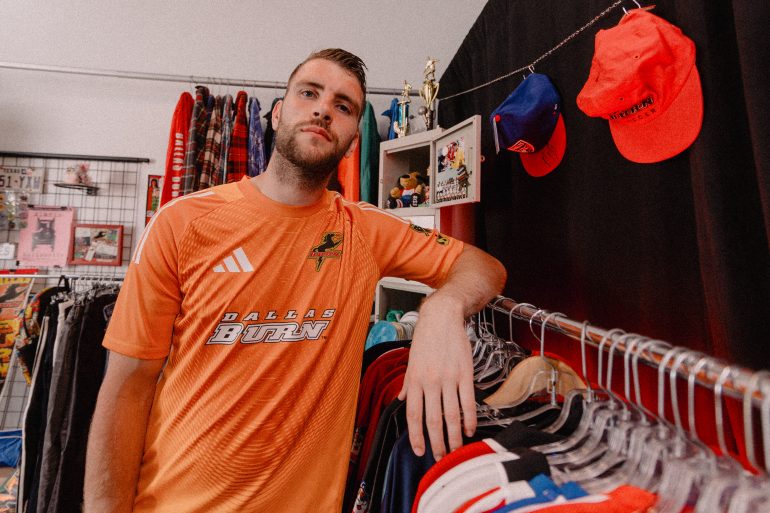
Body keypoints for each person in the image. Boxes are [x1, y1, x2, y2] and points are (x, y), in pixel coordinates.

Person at [84, 48, 506, 513]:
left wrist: (441, 309)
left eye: (344, 106)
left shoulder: (365, 231)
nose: (324, 109)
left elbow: (484, 267)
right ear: (280, 112)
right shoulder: (182, 223)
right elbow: (127, 387)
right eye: (310, 93)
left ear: (350, 139)